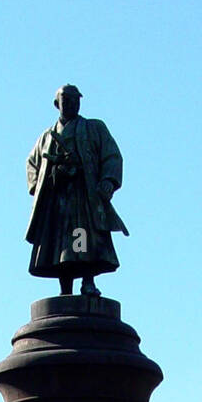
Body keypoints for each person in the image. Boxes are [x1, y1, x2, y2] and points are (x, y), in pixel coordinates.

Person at [25, 85, 129, 297]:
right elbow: (32, 164)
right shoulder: (47, 136)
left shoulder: (94, 128)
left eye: (75, 99)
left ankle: (87, 281)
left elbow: (111, 155)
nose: (72, 103)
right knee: (61, 245)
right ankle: (65, 290)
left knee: (80, 238)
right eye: (67, 99)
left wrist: (108, 180)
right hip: (57, 197)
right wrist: (42, 185)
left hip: (83, 195)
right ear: (57, 104)